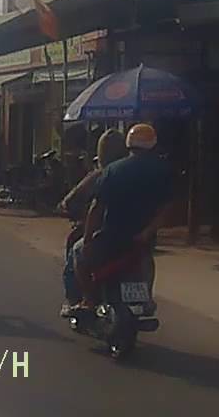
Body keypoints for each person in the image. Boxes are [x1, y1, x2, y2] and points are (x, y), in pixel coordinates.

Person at [63, 123, 173, 316]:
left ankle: (89, 300)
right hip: (142, 240)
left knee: (78, 253)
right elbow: (166, 208)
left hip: (111, 239)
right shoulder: (163, 171)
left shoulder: (112, 171)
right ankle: (146, 298)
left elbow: (96, 208)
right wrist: (147, 232)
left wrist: (88, 239)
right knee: (145, 259)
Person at [58, 128, 127, 311]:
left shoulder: (102, 175)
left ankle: (81, 299)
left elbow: (75, 201)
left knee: (76, 252)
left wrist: (68, 207)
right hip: (137, 234)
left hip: (104, 234)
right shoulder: (135, 172)